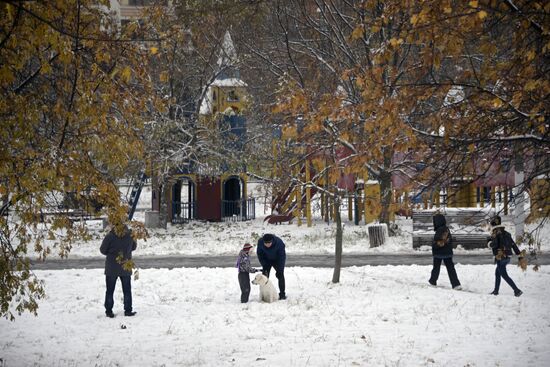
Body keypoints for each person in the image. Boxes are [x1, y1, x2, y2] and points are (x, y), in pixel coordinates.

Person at [100, 224, 137, 318]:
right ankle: (128, 310)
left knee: (110, 290)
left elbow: (103, 250)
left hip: (111, 267)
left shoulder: (110, 236)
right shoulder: (130, 235)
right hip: (126, 266)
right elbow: (133, 247)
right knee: (127, 290)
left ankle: (109, 311)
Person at [489, 215, 523, 297]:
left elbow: (495, 244)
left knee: (504, 275)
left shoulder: (495, 233)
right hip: (507, 256)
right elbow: (513, 245)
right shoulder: (507, 233)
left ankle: (517, 290)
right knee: (497, 273)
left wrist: (489, 243)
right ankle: (496, 291)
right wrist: (519, 255)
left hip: (501, 257)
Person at [428, 213, 462, 290]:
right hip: (447, 252)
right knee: (451, 269)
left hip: (439, 253)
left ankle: (433, 281)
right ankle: (456, 284)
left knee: (436, 268)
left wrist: (434, 245)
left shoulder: (439, 230)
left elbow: (438, 242)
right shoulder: (446, 229)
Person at [257, 233, 287, 300]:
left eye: (269, 243)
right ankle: (263, 295)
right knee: (264, 277)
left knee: (280, 275)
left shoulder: (279, 243)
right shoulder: (260, 242)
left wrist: (280, 269)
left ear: (272, 241)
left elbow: (282, 257)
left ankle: (282, 294)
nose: (267, 245)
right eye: (266, 243)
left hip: (277, 260)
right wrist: (264, 265)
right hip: (266, 260)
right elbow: (260, 255)